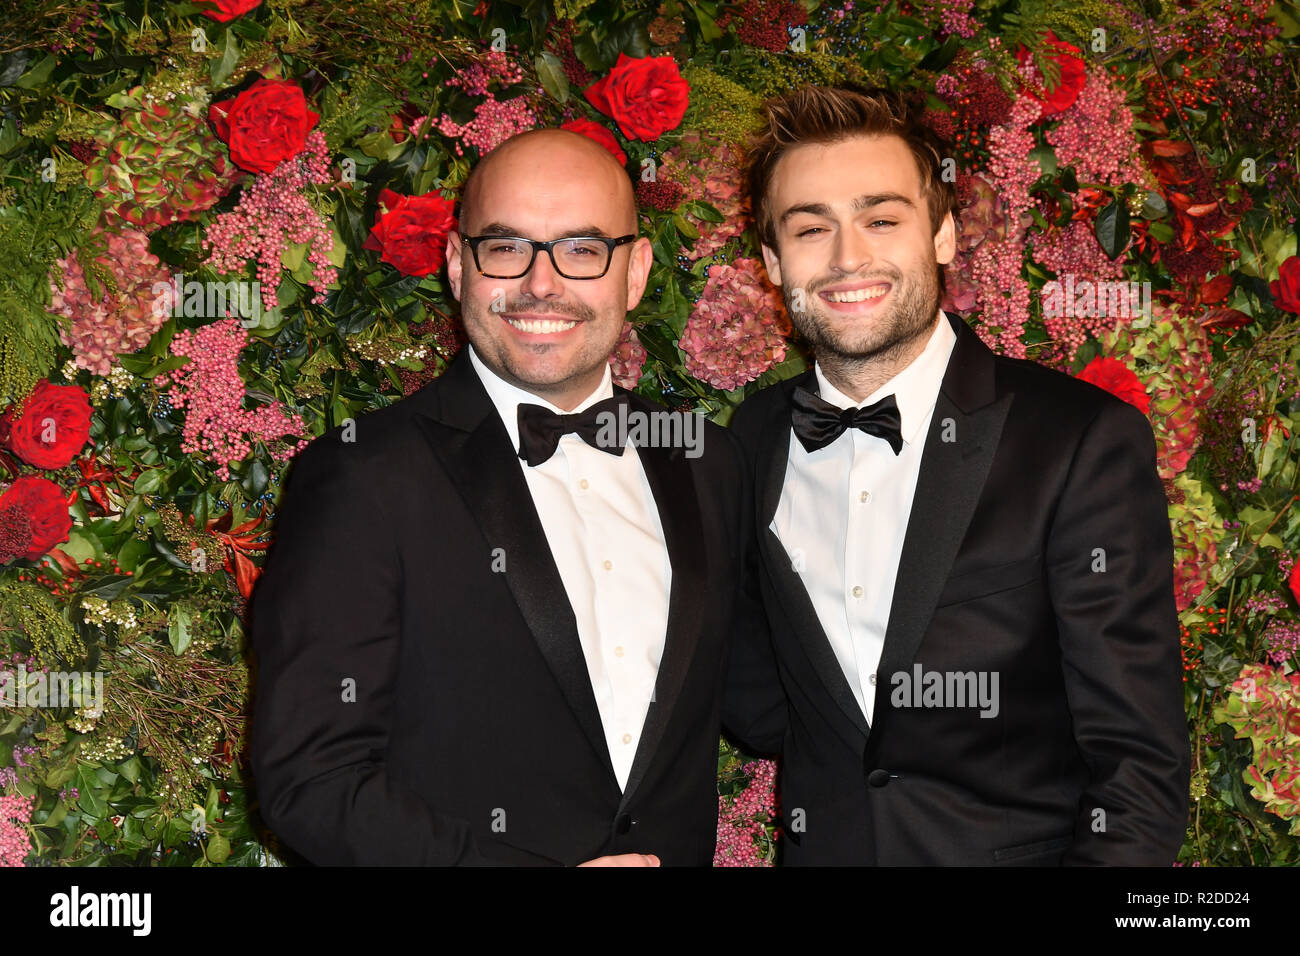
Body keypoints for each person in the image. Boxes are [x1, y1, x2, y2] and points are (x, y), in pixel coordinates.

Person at [251, 127, 762, 866]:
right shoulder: (362, 478)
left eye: (583, 249)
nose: (542, 284)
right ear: (458, 266)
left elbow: (770, 700)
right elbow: (311, 782)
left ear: (637, 271)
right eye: (506, 247)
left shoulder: (707, 460)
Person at [722, 85, 1190, 865]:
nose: (847, 258)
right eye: (811, 228)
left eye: (881, 219)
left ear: (940, 234)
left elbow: (1138, 763)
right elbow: (759, 683)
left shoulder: (1077, 440)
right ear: (772, 262)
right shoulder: (756, 436)